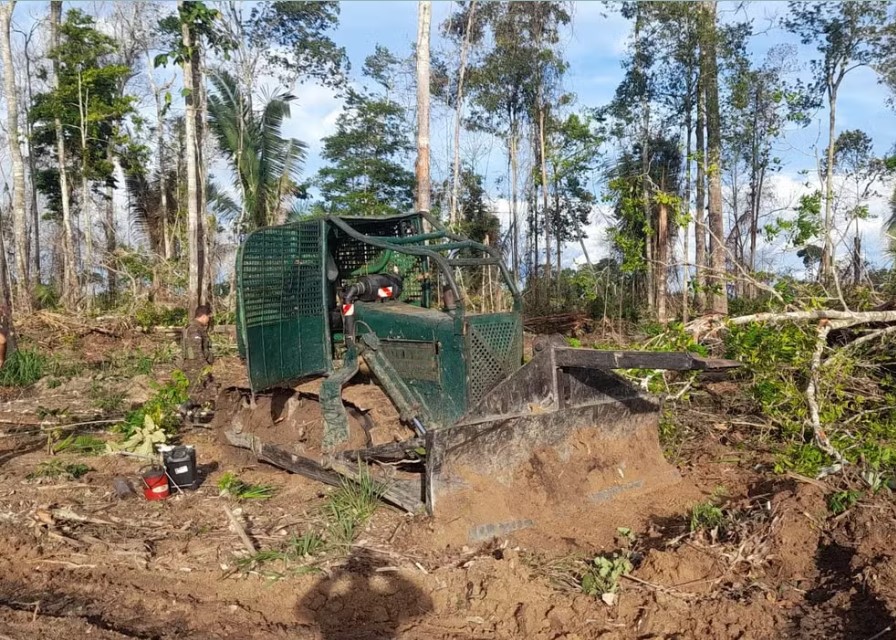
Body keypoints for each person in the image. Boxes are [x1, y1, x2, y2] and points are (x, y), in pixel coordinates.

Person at [181, 304, 214, 399]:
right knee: (195, 396)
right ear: (204, 316)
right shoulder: (194, 329)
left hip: (198, 368)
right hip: (195, 369)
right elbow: (197, 351)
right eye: (208, 317)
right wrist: (205, 366)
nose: (209, 319)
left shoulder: (198, 328)